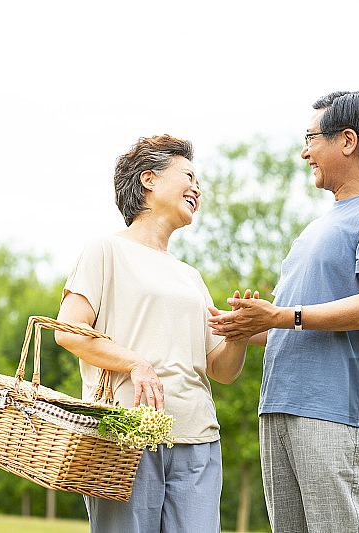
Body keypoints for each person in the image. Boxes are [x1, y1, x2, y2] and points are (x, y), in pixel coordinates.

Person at [208, 91, 359, 532]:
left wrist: (280, 316)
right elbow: (286, 325)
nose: (304, 152)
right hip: (278, 405)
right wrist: (238, 325)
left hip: (334, 408)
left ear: (347, 140)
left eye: (310, 138)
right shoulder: (315, 228)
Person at [55, 134, 250, 533]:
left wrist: (240, 334)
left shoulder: (190, 276)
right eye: (188, 176)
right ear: (149, 179)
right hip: (124, 433)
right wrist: (135, 363)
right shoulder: (104, 250)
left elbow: (222, 370)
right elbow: (69, 332)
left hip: (197, 436)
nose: (197, 188)